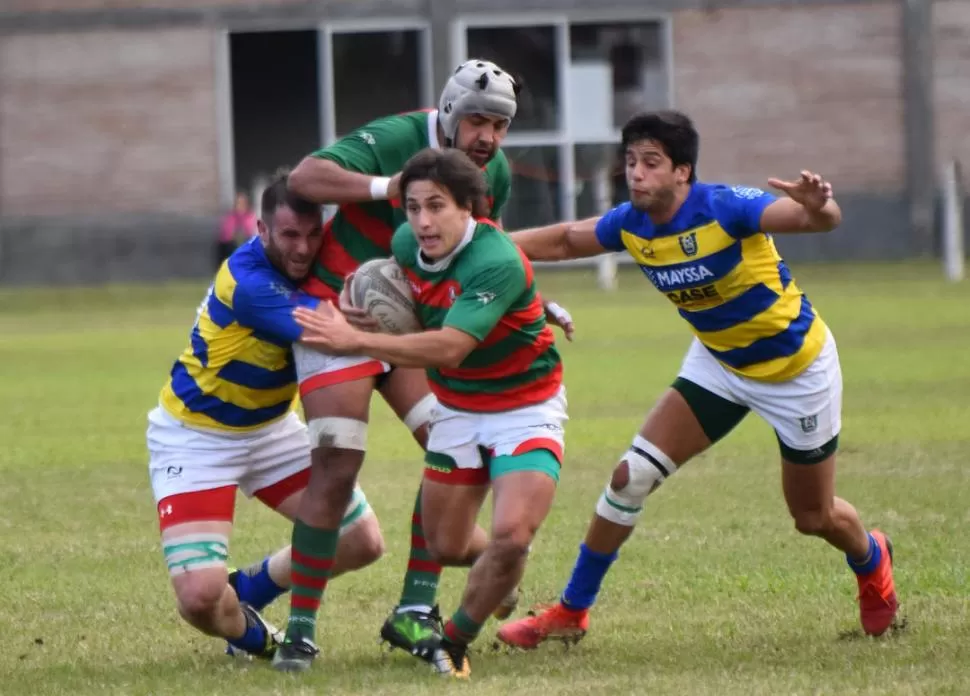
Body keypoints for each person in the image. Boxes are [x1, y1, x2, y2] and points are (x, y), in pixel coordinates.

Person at [495, 110, 899, 649]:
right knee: (628, 478)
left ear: (683, 171)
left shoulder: (727, 207)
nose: (636, 173)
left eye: (651, 163)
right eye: (631, 161)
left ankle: (872, 560)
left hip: (796, 372)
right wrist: (486, 245)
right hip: (719, 365)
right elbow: (567, 240)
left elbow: (817, 221)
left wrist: (817, 202)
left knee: (813, 516)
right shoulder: (630, 223)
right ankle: (571, 611)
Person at [274, 59, 573, 671]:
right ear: (447, 113)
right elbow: (305, 178)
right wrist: (391, 185)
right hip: (336, 317)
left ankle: (415, 607)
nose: (487, 136)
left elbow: (484, 257)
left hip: (415, 325)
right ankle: (300, 629)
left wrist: (530, 300)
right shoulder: (399, 137)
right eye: (477, 121)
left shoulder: (492, 175)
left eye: (499, 125)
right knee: (336, 462)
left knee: (449, 440)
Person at [146, 170, 384, 662]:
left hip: (273, 429)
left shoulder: (318, 265)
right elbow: (331, 328)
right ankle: (260, 641)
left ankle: (253, 585)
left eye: (313, 234)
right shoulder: (248, 282)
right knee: (200, 600)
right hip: (196, 437)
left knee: (361, 542)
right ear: (262, 230)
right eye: (289, 236)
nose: (302, 248)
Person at [215, 191, 257, 269]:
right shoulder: (230, 216)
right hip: (230, 246)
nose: (239, 206)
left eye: (241, 203)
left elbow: (249, 231)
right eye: (238, 203)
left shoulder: (250, 216)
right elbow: (226, 234)